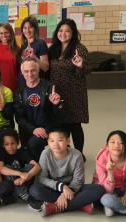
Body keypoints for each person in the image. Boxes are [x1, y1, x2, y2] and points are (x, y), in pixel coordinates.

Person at [29, 129, 105, 217]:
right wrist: (63, 188)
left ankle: (55, 207)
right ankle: (80, 205)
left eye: (60, 140)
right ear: (48, 142)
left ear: (68, 141)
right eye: (52, 140)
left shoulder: (76, 155)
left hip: (73, 188)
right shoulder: (46, 154)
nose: (55, 144)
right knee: (34, 190)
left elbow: (79, 180)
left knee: (98, 189)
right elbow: (42, 178)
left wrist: (65, 195)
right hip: (54, 187)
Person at [48, 19, 91, 160]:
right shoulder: (53, 49)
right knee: (61, 124)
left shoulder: (79, 49)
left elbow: (88, 69)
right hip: (57, 92)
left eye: (67, 31)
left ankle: (79, 154)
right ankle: (65, 153)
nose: (63, 34)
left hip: (74, 93)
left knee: (75, 125)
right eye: (60, 30)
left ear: (73, 33)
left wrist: (80, 65)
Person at [13, 58, 63, 161]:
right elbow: (19, 118)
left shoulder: (50, 87)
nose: (30, 74)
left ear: (38, 70)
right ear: (22, 72)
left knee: (33, 143)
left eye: (33, 70)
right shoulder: (19, 92)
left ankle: (42, 167)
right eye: (26, 71)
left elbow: (60, 115)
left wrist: (56, 104)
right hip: (31, 128)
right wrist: (33, 129)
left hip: (49, 127)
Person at [92, 130, 126, 217]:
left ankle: (115, 208)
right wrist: (110, 172)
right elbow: (106, 190)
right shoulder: (101, 160)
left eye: (121, 143)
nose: (116, 146)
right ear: (107, 146)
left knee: (112, 202)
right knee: (107, 200)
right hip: (108, 192)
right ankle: (114, 205)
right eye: (112, 142)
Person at [0, 128, 41, 210]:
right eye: (7, 144)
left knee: (31, 167)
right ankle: (25, 196)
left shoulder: (21, 152)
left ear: (18, 143)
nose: (10, 147)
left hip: (22, 181)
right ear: (3, 145)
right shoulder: (3, 154)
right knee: (7, 168)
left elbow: (37, 166)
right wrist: (20, 174)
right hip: (11, 182)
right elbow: (0, 169)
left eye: (12, 143)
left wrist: (24, 177)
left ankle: (15, 196)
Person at [18, 15, 49, 86]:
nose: (27, 30)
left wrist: (34, 57)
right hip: (23, 84)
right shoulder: (23, 45)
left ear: (35, 29)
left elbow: (46, 67)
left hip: (36, 85)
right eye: (25, 28)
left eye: (30, 27)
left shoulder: (41, 43)